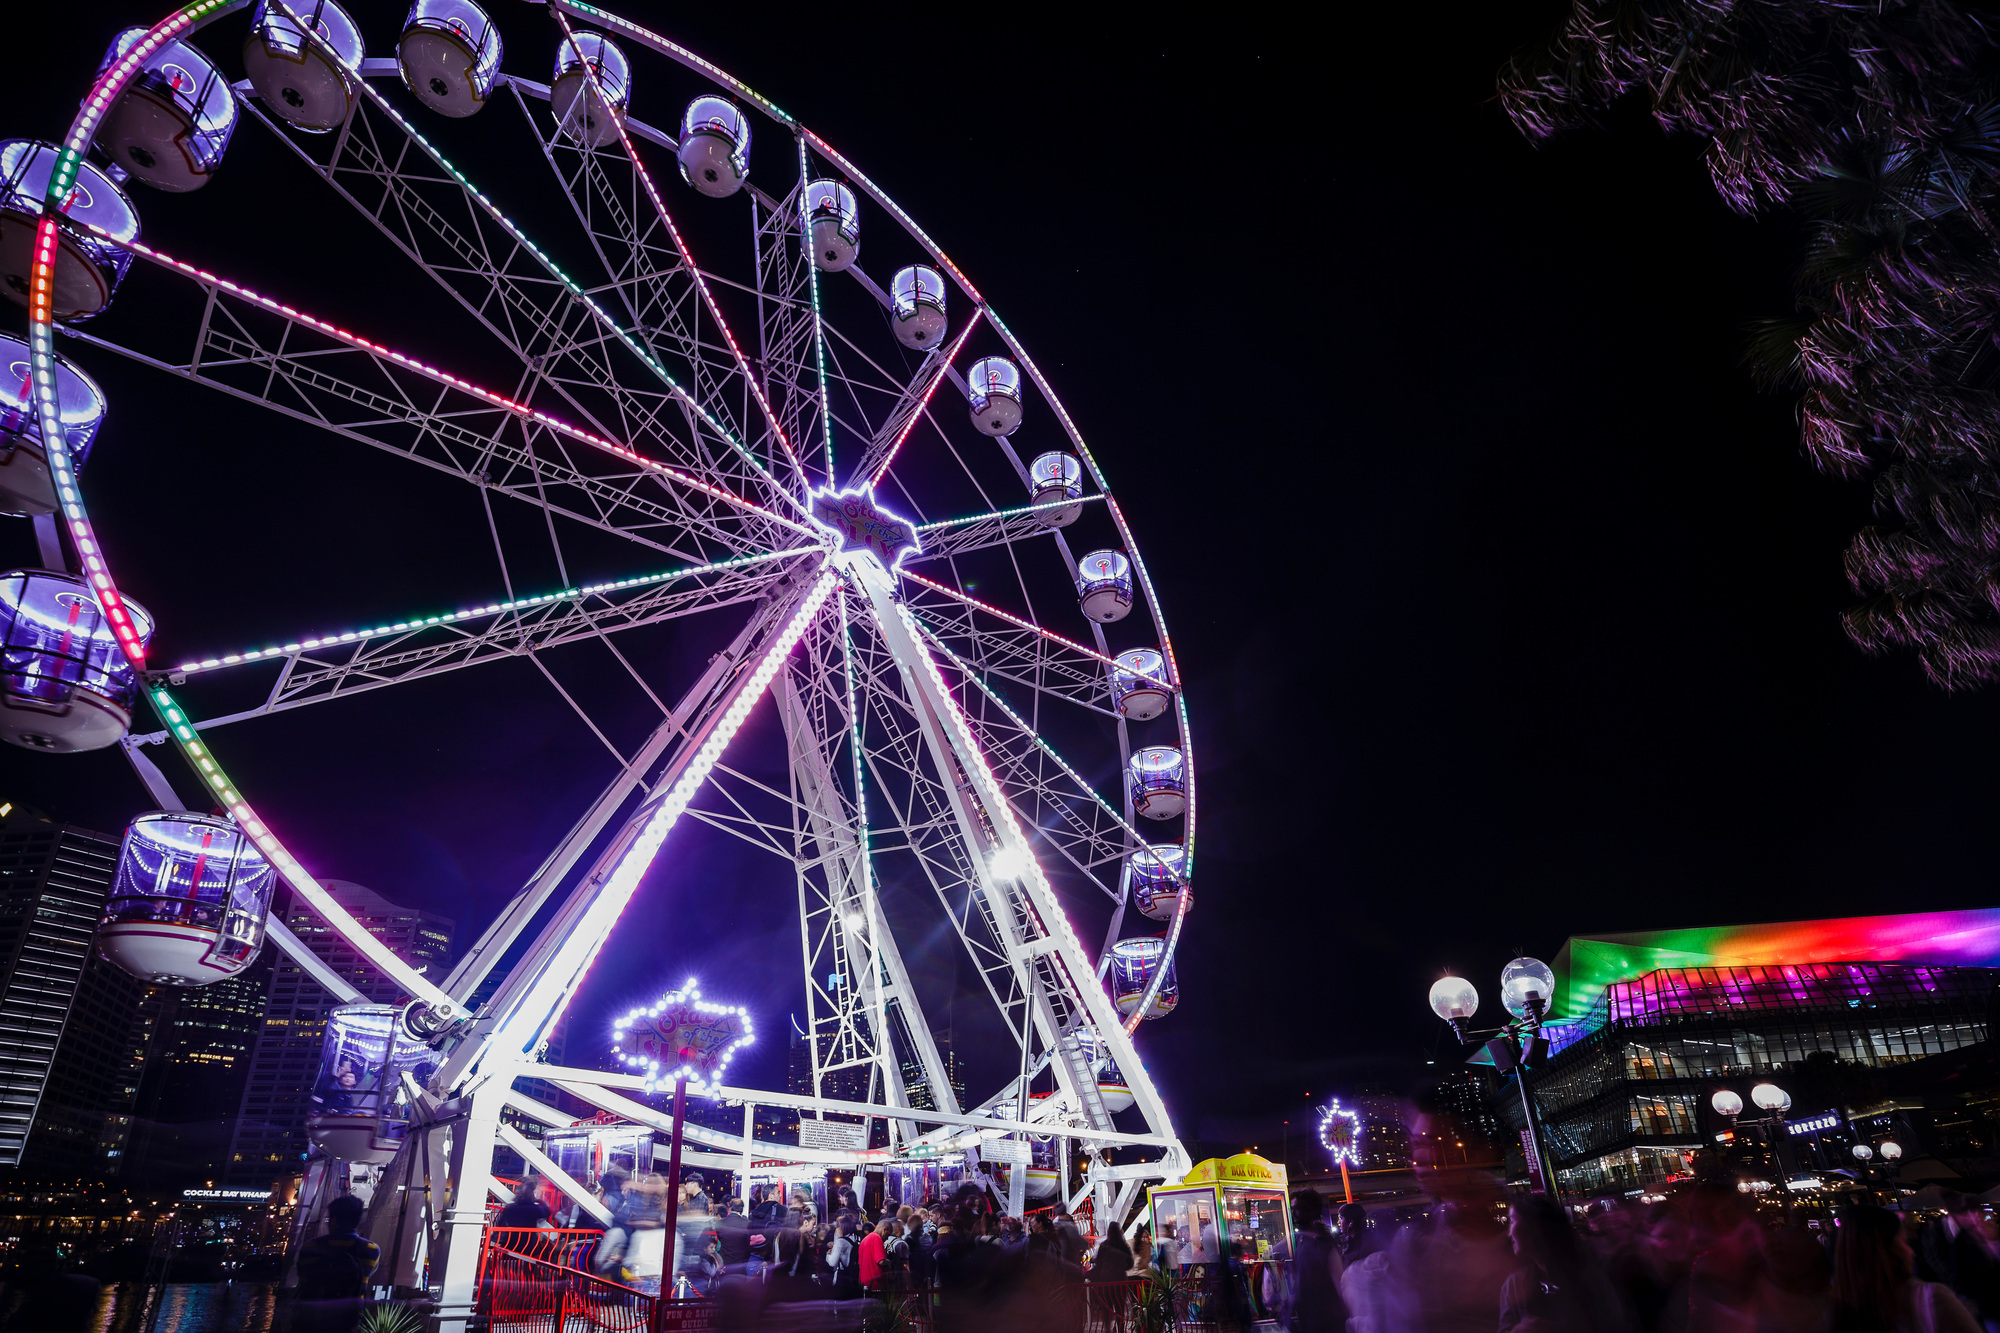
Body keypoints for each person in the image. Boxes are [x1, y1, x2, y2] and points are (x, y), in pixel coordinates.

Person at [1834, 1204, 1982, 1333]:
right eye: (1904, 1242)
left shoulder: (1839, 1309)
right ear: (1884, 1250)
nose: (1912, 1252)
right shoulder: (1930, 1298)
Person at [1498, 1195, 1630, 1332]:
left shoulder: (1591, 1277)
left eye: (1512, 1221)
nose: (1509, 1233)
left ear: (1534, 1226)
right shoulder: (1513, 1286)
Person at [294, 1195, 381, 1333]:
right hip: (348, 1323)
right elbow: (367, 1276)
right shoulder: (371, 1250)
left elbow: (303, 1279)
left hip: (311, 1321)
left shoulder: (311, 1247)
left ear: (334, 1221)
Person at [1288, 1190, 1348, 1333]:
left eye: (1297, 1209)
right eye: (1292, 1209)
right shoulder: (1303, 1242)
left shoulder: (1325, 1245)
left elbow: (1341, 1287)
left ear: (1309, 1210)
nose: (1293, 1213)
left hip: (1329, 1323)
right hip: (1312, 1322)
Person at [859, 1216, 889, 1292]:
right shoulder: (876, 1238)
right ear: (884, 1229)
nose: (887, 1238)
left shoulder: (865, 1239)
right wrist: (889, 1262)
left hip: (864, 1283)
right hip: (875, 1284)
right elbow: (881, 1261)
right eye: (888, 1235)